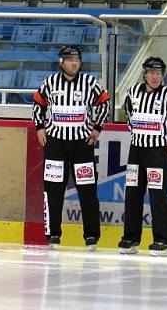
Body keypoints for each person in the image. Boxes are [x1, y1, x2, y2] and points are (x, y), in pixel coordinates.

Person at [32, 45, 111, 250]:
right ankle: (53, 234)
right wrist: (40, 128)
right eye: (69, 60)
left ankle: (91, 235)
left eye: (77, 59)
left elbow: (104, 103)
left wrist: (97, 128)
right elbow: (38, 104)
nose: (74, 63)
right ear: (62, 63)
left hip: (82, 144)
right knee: (53, 190)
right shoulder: (50, 82)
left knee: (87, 190)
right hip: (55, 144)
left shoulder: (90, 82)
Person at [118, 57, 167, 257]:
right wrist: (135, 131)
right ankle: (131, 238)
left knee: (158, 196)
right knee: (132, 195)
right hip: (136, 151)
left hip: (157, 153)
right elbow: (128, 112)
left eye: (159, 73)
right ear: (144, 73)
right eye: (151, 73)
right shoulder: (133, 92)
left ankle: (165, 241)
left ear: (162, 75)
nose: (155, 77)